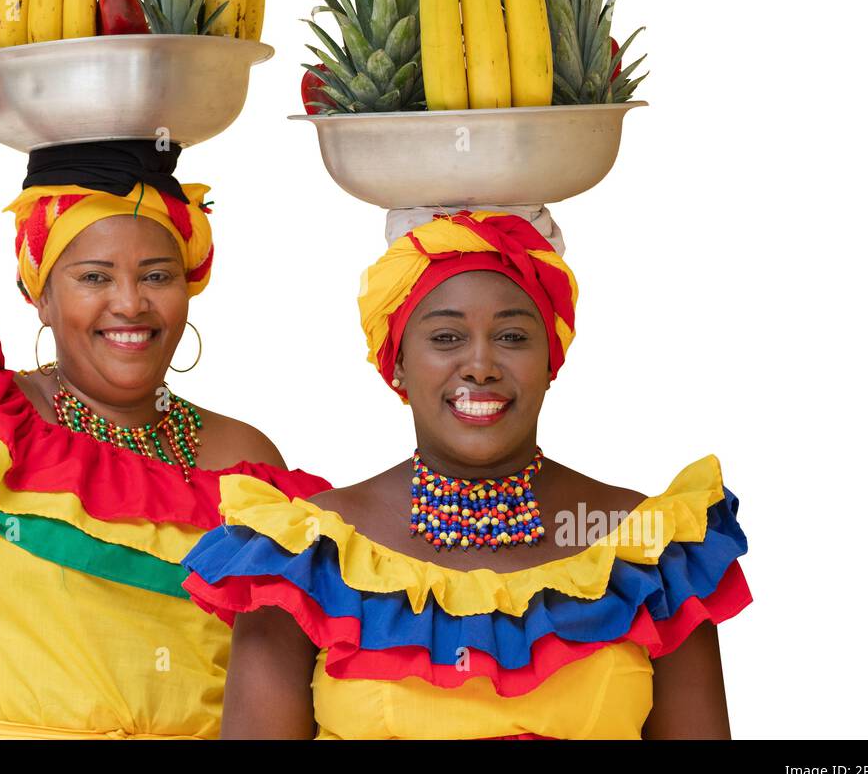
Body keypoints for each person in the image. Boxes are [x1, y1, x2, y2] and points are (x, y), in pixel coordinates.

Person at [0, 34, 324, 739]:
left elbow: (288, 680)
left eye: (157, 276)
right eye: (93, 277)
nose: (129, 304)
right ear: (39, 294)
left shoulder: (245, 458)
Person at [182, 209, 752, 739]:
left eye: (512, 337)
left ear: (551, 359)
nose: (480, 366)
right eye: (447, 337)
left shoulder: (650, 548)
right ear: (398, 362)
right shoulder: (303, 552)